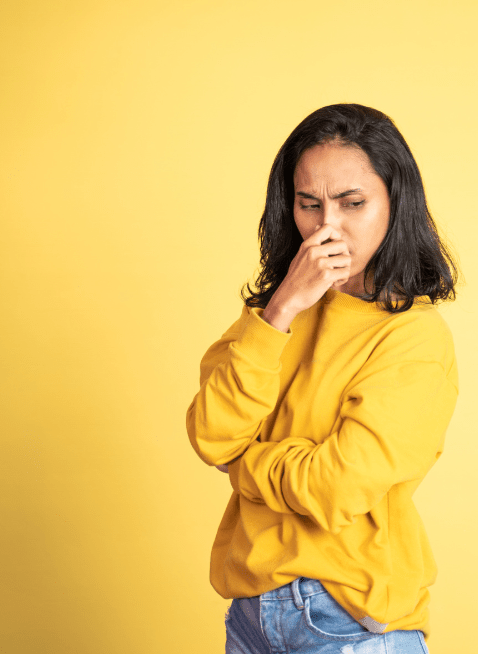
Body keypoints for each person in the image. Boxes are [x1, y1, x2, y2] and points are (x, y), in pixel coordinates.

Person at [186, 104, 459, 654]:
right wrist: (282, 306)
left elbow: (335, 489)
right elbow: (212, 434)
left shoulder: (412, 338)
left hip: (346, 621)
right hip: (250, 616)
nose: (326, 228)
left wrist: (246, 464)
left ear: (394, 203)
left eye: (352, 203)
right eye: (309, 204)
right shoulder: (274, 315)